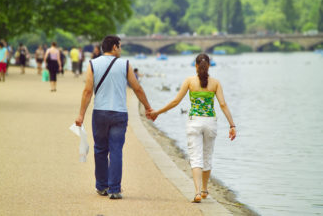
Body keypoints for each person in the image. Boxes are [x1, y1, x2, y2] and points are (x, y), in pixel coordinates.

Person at [149, 53, 237, 203]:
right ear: (208, 66)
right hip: (210, 122)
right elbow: (223, 104)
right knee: (207, 156)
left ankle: (197, 192)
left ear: (195, 66)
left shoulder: (189, 81)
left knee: (196, 158)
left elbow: (176, 101)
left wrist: (158, 112)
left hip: (194, 122)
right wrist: (232, 125)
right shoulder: (215, 83)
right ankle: (204, 189)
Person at [75, 35, 154, 200]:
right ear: (115, 47)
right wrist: (148, 107)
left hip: (100, 112)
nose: (121, 49)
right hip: (119, 113)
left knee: (100, 149)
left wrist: (81, 114)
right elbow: (137, 88)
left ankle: (102, 186)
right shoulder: (125, 64)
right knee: (116, 150)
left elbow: (87, 91)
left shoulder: (92, 64)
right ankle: (115, 189)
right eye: (120, 46)